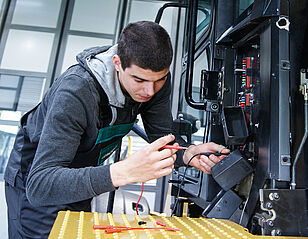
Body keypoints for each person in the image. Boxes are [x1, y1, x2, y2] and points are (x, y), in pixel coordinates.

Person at [4, 21, 229, 238]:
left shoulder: (152, 80)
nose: (149, 91)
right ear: (117, 63)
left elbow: (161, 138)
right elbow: (40, 185)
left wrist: (187, 153)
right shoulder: (75, 92)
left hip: (81, 176)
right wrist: (124, 171)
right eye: (139, 79)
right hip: (37, 181)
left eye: (159, 80)